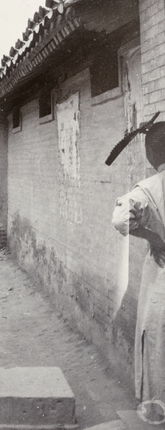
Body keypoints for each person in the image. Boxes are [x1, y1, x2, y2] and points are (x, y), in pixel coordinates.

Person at [112, 122, 165, 412]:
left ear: (151, 154)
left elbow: (121, 220)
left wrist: (155, 237)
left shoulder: (149, 188)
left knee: (158, 337)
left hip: (161, 271)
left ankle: (158, 408)